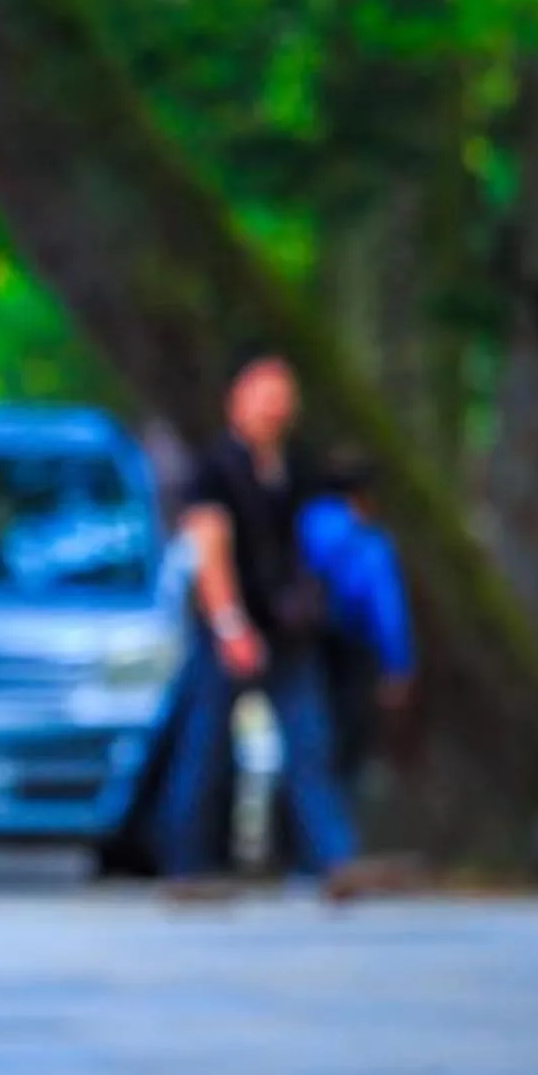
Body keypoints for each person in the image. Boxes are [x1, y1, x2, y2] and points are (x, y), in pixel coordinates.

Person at [155, 346, 385, 895]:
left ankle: (334, 860)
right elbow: (208, 549)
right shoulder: (214, 471)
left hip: (288, 632)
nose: (273, 410)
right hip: (229, 630)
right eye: (263, 396)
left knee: (309, 745)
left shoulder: (297, 469)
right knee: (205, 748)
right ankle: (184, 863)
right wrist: (231, 625)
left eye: (282, 399)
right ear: (236, 400)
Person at [297, 453, 415, 794]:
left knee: (305, 743)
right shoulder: (367, 541)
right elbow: (387, 610)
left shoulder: (302, 524)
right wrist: (398, 668)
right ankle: (333, 835)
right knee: (345, 749)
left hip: (299, 649)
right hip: (349, 652)